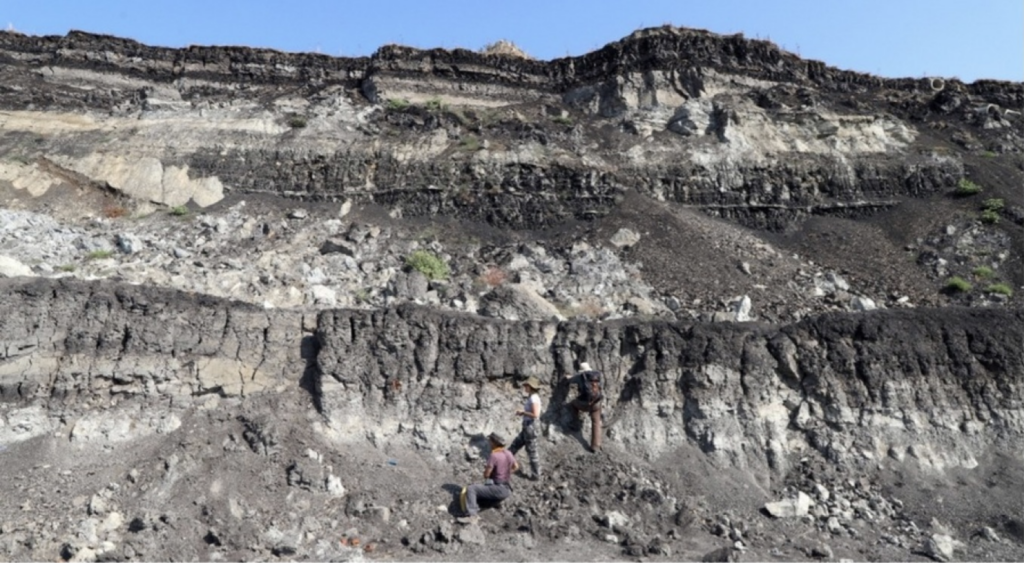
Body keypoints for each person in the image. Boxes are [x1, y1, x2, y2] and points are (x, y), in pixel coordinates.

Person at [458, 432, 518, 520]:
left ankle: (472, 515)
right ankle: (494, 503)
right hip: (507, 489)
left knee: (472, 489)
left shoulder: (494, 455)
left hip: (498, 489)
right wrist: (505, 473)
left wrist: (489, 473)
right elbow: (516, 466)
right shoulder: (508, 453)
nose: (489, 442)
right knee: (486, 488)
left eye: (490, 440)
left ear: (494, 442)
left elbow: (486, 475)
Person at [564, 361, 604, 452]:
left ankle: (575, 424)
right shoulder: (597, 376)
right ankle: (595, 446)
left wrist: (567, 377)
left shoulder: (580, 376)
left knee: (573, 403)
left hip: (585, 404)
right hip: (597, 402)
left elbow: (570, 380)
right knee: (596, 422)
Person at [509, 376, 542, 480]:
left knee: (532, 451)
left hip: (530, 427)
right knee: (514, 445)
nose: (525, 387)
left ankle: (536, 475)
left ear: (531, 386)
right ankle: (504, 464)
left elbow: (535, 414)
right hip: (528, 427)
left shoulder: (534, 398)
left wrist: (523, 412)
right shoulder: (532, 397)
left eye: (526, 385)